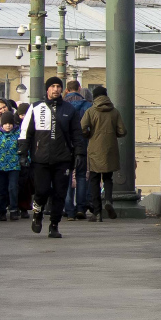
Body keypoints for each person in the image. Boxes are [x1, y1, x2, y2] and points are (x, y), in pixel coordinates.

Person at [19, 76, 84, 238]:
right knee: (41, 191)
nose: (56, 89)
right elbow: (25, 133)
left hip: (62, 159)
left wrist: (79, 153)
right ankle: (37, 213)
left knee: (60, 193)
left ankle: (54, 225)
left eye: (58, 86)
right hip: (40, 159)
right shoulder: (36, 108)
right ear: (47, 89)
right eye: (53, 86)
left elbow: (77, 134)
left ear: (62, 89)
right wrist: (22, 153)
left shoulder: (69, 110)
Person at [80, 85, 126, 221]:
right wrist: (114, 134)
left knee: (94, 180)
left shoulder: (90, 111)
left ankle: (97, 212)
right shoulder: (114, 112)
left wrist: (89, 134)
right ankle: (108, 201)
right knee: (108, 178)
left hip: (94, 149)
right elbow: (122, 131)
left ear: (94, 97)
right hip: (110, 148)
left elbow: (82, 127)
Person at [63, 80, 93, 221]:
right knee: (81, 176)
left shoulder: (63, 106)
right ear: (79, 89)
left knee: (67, 177)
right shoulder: (88, 106)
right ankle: (81, 208)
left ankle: (69, 211)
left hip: (66, 146)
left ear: (67, 90)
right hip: (83, 145)